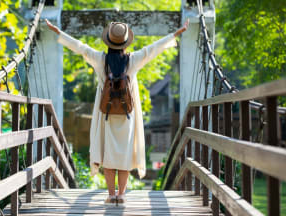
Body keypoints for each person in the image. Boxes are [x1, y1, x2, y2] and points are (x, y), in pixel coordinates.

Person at [46, 19, 189, 206]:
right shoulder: (134, 59)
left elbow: (80, 47)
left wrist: (58, 32)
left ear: (109, 40)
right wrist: (176, 34)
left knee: (108, 155)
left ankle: (110, 195)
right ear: (125, 41)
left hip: (106, 113)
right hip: (127, 115)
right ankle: (121, 195)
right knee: (124, 155)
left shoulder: (99, 59)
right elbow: (154, 48)